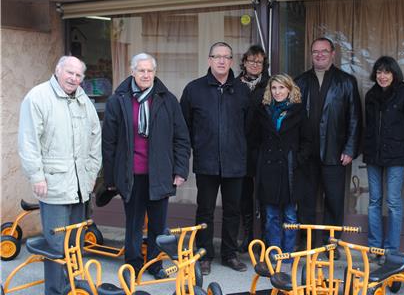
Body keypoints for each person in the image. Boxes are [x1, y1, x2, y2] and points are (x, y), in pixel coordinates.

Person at [102, 53, 191, 279]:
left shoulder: (167, 100)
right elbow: (109, 142)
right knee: (133, 223)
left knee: (158, 225)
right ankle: (133, 263)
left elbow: (181, 138)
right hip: (130, 174)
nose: (145, 74)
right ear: (132, 72)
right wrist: (111, 177)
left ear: (154, 73)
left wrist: (180, 170)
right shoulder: (118, 100)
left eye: (149, 70)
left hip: (160, 173)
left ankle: (154, 263)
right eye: (141, 70)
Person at [18, 56, 102, 295]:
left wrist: (92, 171)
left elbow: (95, 136)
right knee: (57, 246)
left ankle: (72, 287)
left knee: (75, 243)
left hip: (79, 186)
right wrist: (36, 176)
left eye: (78, 75)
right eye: (69, 73)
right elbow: (28, 141)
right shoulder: (38, 97)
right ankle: (55, 291)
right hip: (53, 184)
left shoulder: (83, 99)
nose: (73, 78)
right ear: (57, 70)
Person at [180, 42, 250, 275]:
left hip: (235, 163)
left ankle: (229, 254)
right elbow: (184, 126)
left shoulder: (242, 90)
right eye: (216, 56)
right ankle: (204, 254)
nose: (221, 61)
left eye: (226, 57)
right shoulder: (194, 89)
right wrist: (195, 148)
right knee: (205, 210)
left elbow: (249, 129)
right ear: (209, 60)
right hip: (207, 162)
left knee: (233, 210)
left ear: (232, 61)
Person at [295, 37, 362, 252]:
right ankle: (305, 242)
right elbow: (293, 118)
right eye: (315, 51)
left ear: (333, 53)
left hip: (335, 152)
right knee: (305, 200)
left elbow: (354, 118)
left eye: (324, 51)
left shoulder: (346, 81)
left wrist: (350, 149)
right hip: (306, 153)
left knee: (333, 201)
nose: (320, 55)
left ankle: (331, 244)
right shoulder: (300, 81)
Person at [249, 74, 311, 257]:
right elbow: (253, 139)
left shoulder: (299, 111)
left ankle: (288, 254)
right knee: (271, 216)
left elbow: (308, 141)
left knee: (290, 216)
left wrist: (297, 160)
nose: (277, 92)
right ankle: (274, 254)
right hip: (268, 170)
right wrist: (258, 161)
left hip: (290, 171)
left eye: (282, 88)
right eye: (274, 88)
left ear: (290, 90)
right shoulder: (262, 110)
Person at [363, 56, 404, 262]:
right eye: (378, 72)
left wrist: (398, 145)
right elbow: (368, 125)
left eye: (386, 72)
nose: (382, 76)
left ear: (394, 74)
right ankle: (374, 247)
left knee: (393, 202)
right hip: (373, 156)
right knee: (374, 201)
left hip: (396, 156)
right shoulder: (371, 95)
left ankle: (392, 250)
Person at [236, 45, 270, 252]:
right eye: (251, 61)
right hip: (240, 149)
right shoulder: (235, 85)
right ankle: (247, 236)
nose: (255, 65)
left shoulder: (270, 85)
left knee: (266, 195)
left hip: (264, 148)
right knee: (243, 196)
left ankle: (265, 239)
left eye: (259, 62)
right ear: (244, 63)